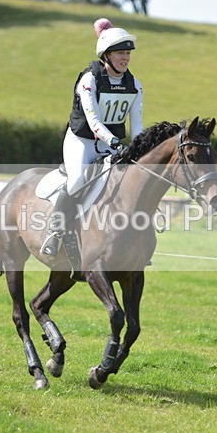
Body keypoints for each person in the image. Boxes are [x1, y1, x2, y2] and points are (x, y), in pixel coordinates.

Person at [41, 18, 145, 258]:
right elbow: (94, 123)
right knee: (77, 180)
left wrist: (140, 148)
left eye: (128, 53)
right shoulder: (89, 81)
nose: (126, 58)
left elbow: (137, 125)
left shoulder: (135, 85)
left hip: (111, 145)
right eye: (120, 53)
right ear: (106, 55)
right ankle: (55, 231)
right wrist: (116, 142)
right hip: (82, 141)